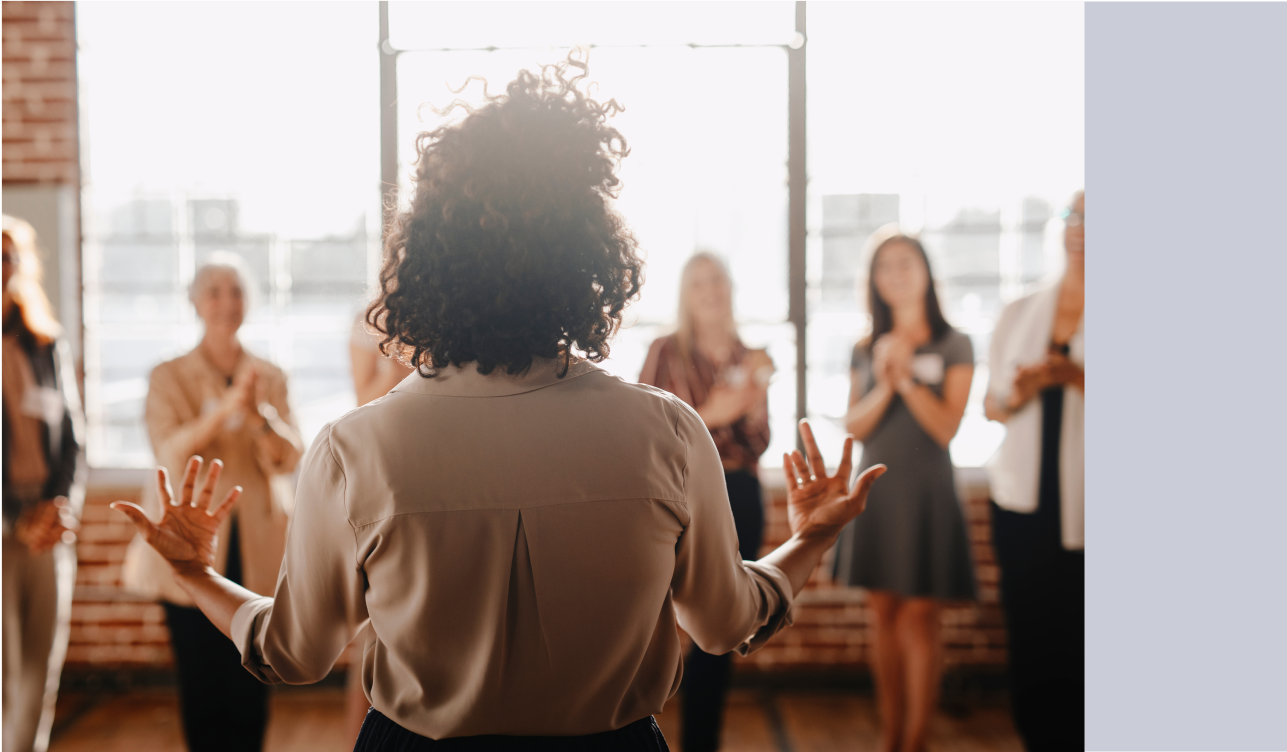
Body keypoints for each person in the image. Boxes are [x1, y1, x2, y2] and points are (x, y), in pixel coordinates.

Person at [111, 53, 886, 752]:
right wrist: (810, 538)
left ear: (422, 265)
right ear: (591, 261)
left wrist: (195, 572)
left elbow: (293, 652)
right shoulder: (667, 431)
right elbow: (723, 623)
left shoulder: (356, 449)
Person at [121, 253, 304, 752]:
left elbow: (291, 458)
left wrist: (260, 414)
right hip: (188, 540)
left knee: (253, 676)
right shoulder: (168, 375)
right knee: (201, 681)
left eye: (237, 291)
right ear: (196, 303)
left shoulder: (271, 374)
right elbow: (170, 450)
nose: (226, 302)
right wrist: (224, 410)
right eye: (215, 291)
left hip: (259, 545)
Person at [837, 226, 978, 752]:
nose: (895, 274)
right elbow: (856, 425)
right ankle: (889, 736)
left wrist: (906, 381)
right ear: (873, 280)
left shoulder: (954, 342)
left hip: (928, 491)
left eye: (905, 262)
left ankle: (916, 740)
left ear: (925, 272)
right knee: (884, 611)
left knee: (921, 614)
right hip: (878, 488)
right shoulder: (865, 348)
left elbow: (945, 428)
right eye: (884, 265)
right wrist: (883, 376)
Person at [638, 252, 773, 752]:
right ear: (685, 295)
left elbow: (758, 440)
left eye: (717, 280)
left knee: (723, 629)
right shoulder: (665, 351)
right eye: (699, 283)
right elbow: (648, 431)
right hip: (677, 492)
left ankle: (701, 743)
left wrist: (743, 403)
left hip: (739, 492)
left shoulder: (750, 357)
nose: (711, 291)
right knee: (653, 619)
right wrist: (715, 413)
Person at [983, 190, 1085, 752]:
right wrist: (1018, 393)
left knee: (1083, 640)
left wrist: (1077, 377)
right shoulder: (1020, 310)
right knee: (1032, 636)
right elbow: (991, 406)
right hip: (1024, 504)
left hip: (1088, 509)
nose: (1081, 228)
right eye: (1074, 215)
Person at [1, 214, 85, 752]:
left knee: (41, 667)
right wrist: (16, 518)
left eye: (8, 256)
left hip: (49, 527)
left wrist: (59, 506)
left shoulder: (45, 344)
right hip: (5, 529)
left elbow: (74, 438)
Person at [342, 310, 413, 740]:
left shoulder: (460, 301)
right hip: (388, 464)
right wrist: (398, 360)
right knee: (374, 629)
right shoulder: (371, 319)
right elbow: (363, 402)